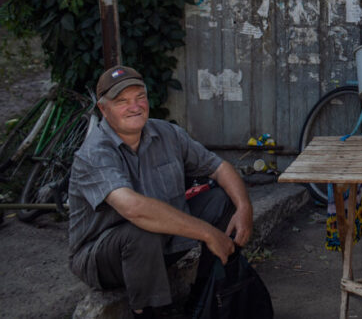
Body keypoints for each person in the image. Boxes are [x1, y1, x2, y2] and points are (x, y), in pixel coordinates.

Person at [68, 65, 254, 318]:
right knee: (139, 231)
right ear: (103, 109)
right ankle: (149, 312)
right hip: (104, 259)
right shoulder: (94, 154)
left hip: (162, 244)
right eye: (122, 101)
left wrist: (244, 208)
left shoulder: (167, 133)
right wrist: (209, 233)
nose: (134, 107)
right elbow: (134, 209)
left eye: (139, 98)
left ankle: (208, 295)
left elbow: (219, 167)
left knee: (221, 200)